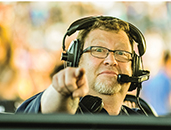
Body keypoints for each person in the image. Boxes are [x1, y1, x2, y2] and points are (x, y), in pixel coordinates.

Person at [16, 16, 151, 115]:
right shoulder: (66, 108)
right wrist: (60, 92)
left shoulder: (143, 120)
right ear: (76, 60)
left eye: (121, 53)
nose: (111, 60)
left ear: (135, 67)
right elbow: (52, 110)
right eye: (98, 50)